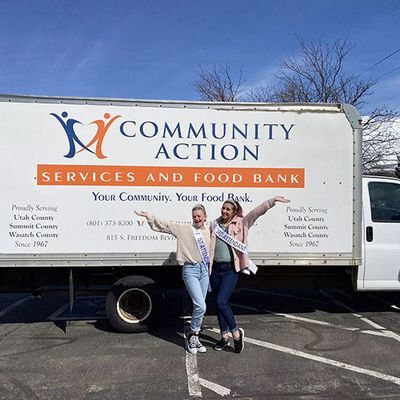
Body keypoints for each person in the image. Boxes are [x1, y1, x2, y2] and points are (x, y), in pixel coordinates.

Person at [209, 196, 290, 353]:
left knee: (221, 302)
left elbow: (256, 213)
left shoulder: (241, 223)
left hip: (230, 270)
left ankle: (236, 333)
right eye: (223, 208)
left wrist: (271, 201)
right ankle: (224, 336)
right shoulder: (215, 225)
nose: (224, 211)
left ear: (234, 212)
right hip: (215, 269)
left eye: (228, 209)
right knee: (218, 306)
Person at [135, 204, 210, 355]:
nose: (197, 219)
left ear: (205, 217)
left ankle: (195, 336)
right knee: (200, 306)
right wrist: (149, 216)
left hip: (205, 271)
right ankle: (193, 335)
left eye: (199, 216)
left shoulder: (209, 231)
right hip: (190, 270)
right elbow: (165, 226)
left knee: (200, 307)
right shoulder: (185, 229)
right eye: (194, 216)